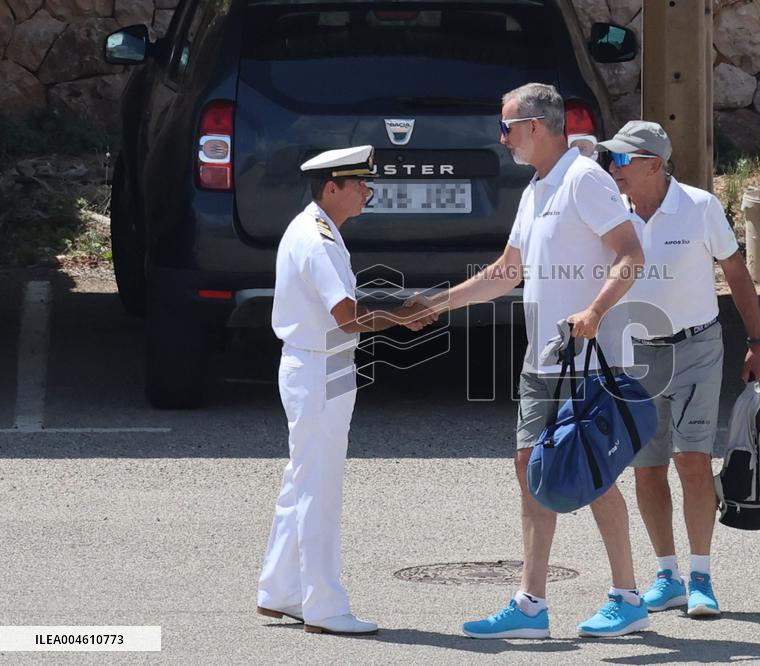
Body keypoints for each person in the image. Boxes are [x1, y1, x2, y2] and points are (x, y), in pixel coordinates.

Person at [415, 83, 648, 638]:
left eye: (508, 128)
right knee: (532, 468)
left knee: (591, 472)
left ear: (536, 127)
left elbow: (631, 253)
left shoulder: (584, 179)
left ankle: (627, 596)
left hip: (583, 360)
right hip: (540, 360)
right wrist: (436, 304)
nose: (503, 139)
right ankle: (530, 606)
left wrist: (594, 310)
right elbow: (507, 271)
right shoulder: (537, 187)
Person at [256, 145, 435, 635]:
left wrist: (398, 312)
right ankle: (324, 606)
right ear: (331, 187)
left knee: (302, 481)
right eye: (359, 184)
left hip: (316, 365)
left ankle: (281, 591)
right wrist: (403, 315)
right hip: (320, 368)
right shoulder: (318, 239)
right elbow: (347, 318)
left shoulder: (314, 228)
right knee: (319, 489)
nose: (366, 192)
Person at [595, 121, 760, 617]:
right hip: (635, 353)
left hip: (697, 348)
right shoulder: (610, 212)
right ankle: (667, 575)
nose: (613, 168)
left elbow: (737, 274)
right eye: (611, 159)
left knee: (691, 460)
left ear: (655, 164)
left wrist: (757, 343)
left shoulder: (700, 206)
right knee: (647, 467)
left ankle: (701, 577)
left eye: (623, 159)